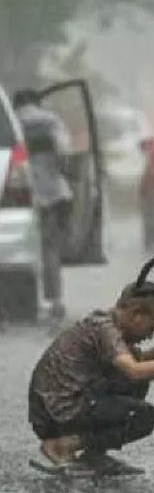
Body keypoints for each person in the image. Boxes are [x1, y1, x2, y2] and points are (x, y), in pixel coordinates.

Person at [28, 282, 154, 474]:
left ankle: (93, 455)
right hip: (60, 413)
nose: (150, 335)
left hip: (54, 410)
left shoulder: (106, 323)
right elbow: (135, 370)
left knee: (134, 385)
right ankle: (63, 445)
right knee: (144, 416)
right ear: (136, 314)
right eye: (152, 326)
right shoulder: (106, 330)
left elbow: (140, 361)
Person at [12, 89, 73, 323]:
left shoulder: (11, 122)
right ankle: (53, 300)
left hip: (19, 197)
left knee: (19, 252)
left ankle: (19, 301)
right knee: (50, 249)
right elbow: (64, 152)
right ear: (36, 101)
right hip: (54, 193)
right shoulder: (50, 120)